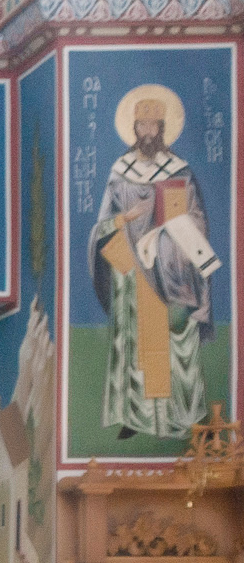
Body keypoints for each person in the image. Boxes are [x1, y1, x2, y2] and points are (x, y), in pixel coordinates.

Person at [89, 94, 212, 440]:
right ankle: (134, 415)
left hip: (165, 267)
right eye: (141, 124)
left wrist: (171, 237)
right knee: (132, 344)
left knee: (162, 343)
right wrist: (122, 220)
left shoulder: (179, 171)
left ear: (162, 128)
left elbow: (196, 218)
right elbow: (100, 226)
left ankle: (168, 417)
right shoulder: (120, 172)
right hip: (128, 271)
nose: (147, 130)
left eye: (153, 124)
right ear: (134, 128)